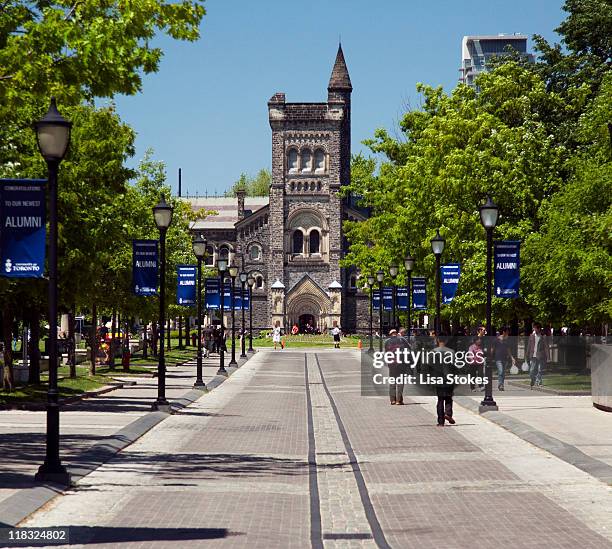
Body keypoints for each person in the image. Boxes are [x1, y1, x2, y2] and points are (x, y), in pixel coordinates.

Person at [431, 333, 456, 426]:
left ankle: (441, 421)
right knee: (449, 398)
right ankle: (448, 413)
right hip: (449, 377)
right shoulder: (451, 352)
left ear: (437, 340)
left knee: (440, 399)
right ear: (446, 340)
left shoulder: (433, 352)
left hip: (438, 378)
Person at [384, 328, 410, 405]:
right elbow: (409, 349)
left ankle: (392, 400)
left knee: (392, 381)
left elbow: (386, 352)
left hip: (392, 364)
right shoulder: (402, 340)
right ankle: (399, 400)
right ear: (396, 333)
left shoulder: (387, 341)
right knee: (400, 382)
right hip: (401, 364)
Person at [494, 327, 516, 391]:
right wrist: (490, 356)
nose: (508, 333)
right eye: (507, 332)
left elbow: (508, 350)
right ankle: (501, 385)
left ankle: (501, 384)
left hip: (505, 358)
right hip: (498, 358)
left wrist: (512, 358)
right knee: (500, 371)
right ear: (504, 332)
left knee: (503, 373)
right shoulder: (496, 340)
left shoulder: (507, 341)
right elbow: (492, 349)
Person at [527, 322, 548, 387]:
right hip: (533, 355)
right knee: (531, 370)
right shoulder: (531, 336)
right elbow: (529, 346)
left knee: (540, 369)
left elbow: (546, 347)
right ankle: (533, 379)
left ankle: (539, 382)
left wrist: (548, 356)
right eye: (534, 328)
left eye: (535, 328)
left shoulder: (543, 337)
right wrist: (527, 355)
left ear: (538, 329)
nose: (534, 329)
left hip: (541, 355)